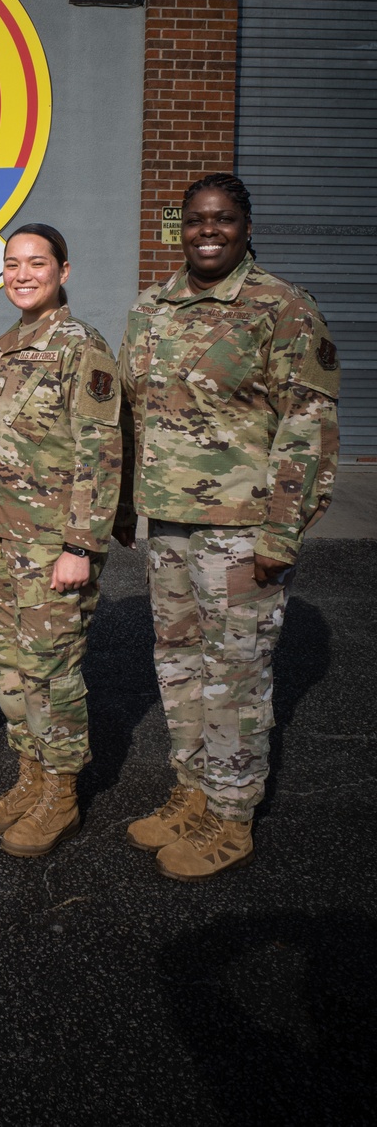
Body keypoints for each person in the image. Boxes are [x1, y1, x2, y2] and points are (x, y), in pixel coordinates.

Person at [114, 172, 340, 880]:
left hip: (241, 531)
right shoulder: (152, 307)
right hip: (171, 526)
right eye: (195, 221)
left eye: (222, 220)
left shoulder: (281, 308)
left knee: (236, 675)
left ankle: (233, 815)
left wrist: (281, 534)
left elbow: (307, 428)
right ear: (178, 228)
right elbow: (129, 413)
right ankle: (194, 792)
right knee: (179, 664)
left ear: (245, 225)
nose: (207, 232)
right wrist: (124, 506)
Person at [0, 224, 122, 856]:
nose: (23, 274)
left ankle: (62, 793)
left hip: (52, 547)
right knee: (7, 669)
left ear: (64, 272)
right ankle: (29, 776)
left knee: (52, 672)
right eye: (12, 264)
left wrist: (81, 545)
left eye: (37, 263)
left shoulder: (82, 349)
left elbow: (100, 452)